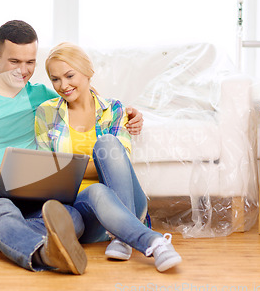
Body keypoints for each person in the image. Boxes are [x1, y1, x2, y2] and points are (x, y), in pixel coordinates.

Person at [0, 20, 144, 275]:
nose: (23, 71)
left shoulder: (41, 96)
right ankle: (42, 253)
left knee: (72, 220)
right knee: (1, 209)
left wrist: (127, 114)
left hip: (24, 193)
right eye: (14, 62)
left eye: (30, 62)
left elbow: (84, 96)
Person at [34, 42, 182, 272]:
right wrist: (88, 169)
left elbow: (117, 165)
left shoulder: (114, 110)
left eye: (69, 75)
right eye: (55, 79)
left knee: (107, 143)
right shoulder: (46, 112)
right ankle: (152, 241)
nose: (63, 85)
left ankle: (123, 237)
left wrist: (69, 168)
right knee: (96, 190)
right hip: (85, 209)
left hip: (128, 202)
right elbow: (47, 171)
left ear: (87, 71)